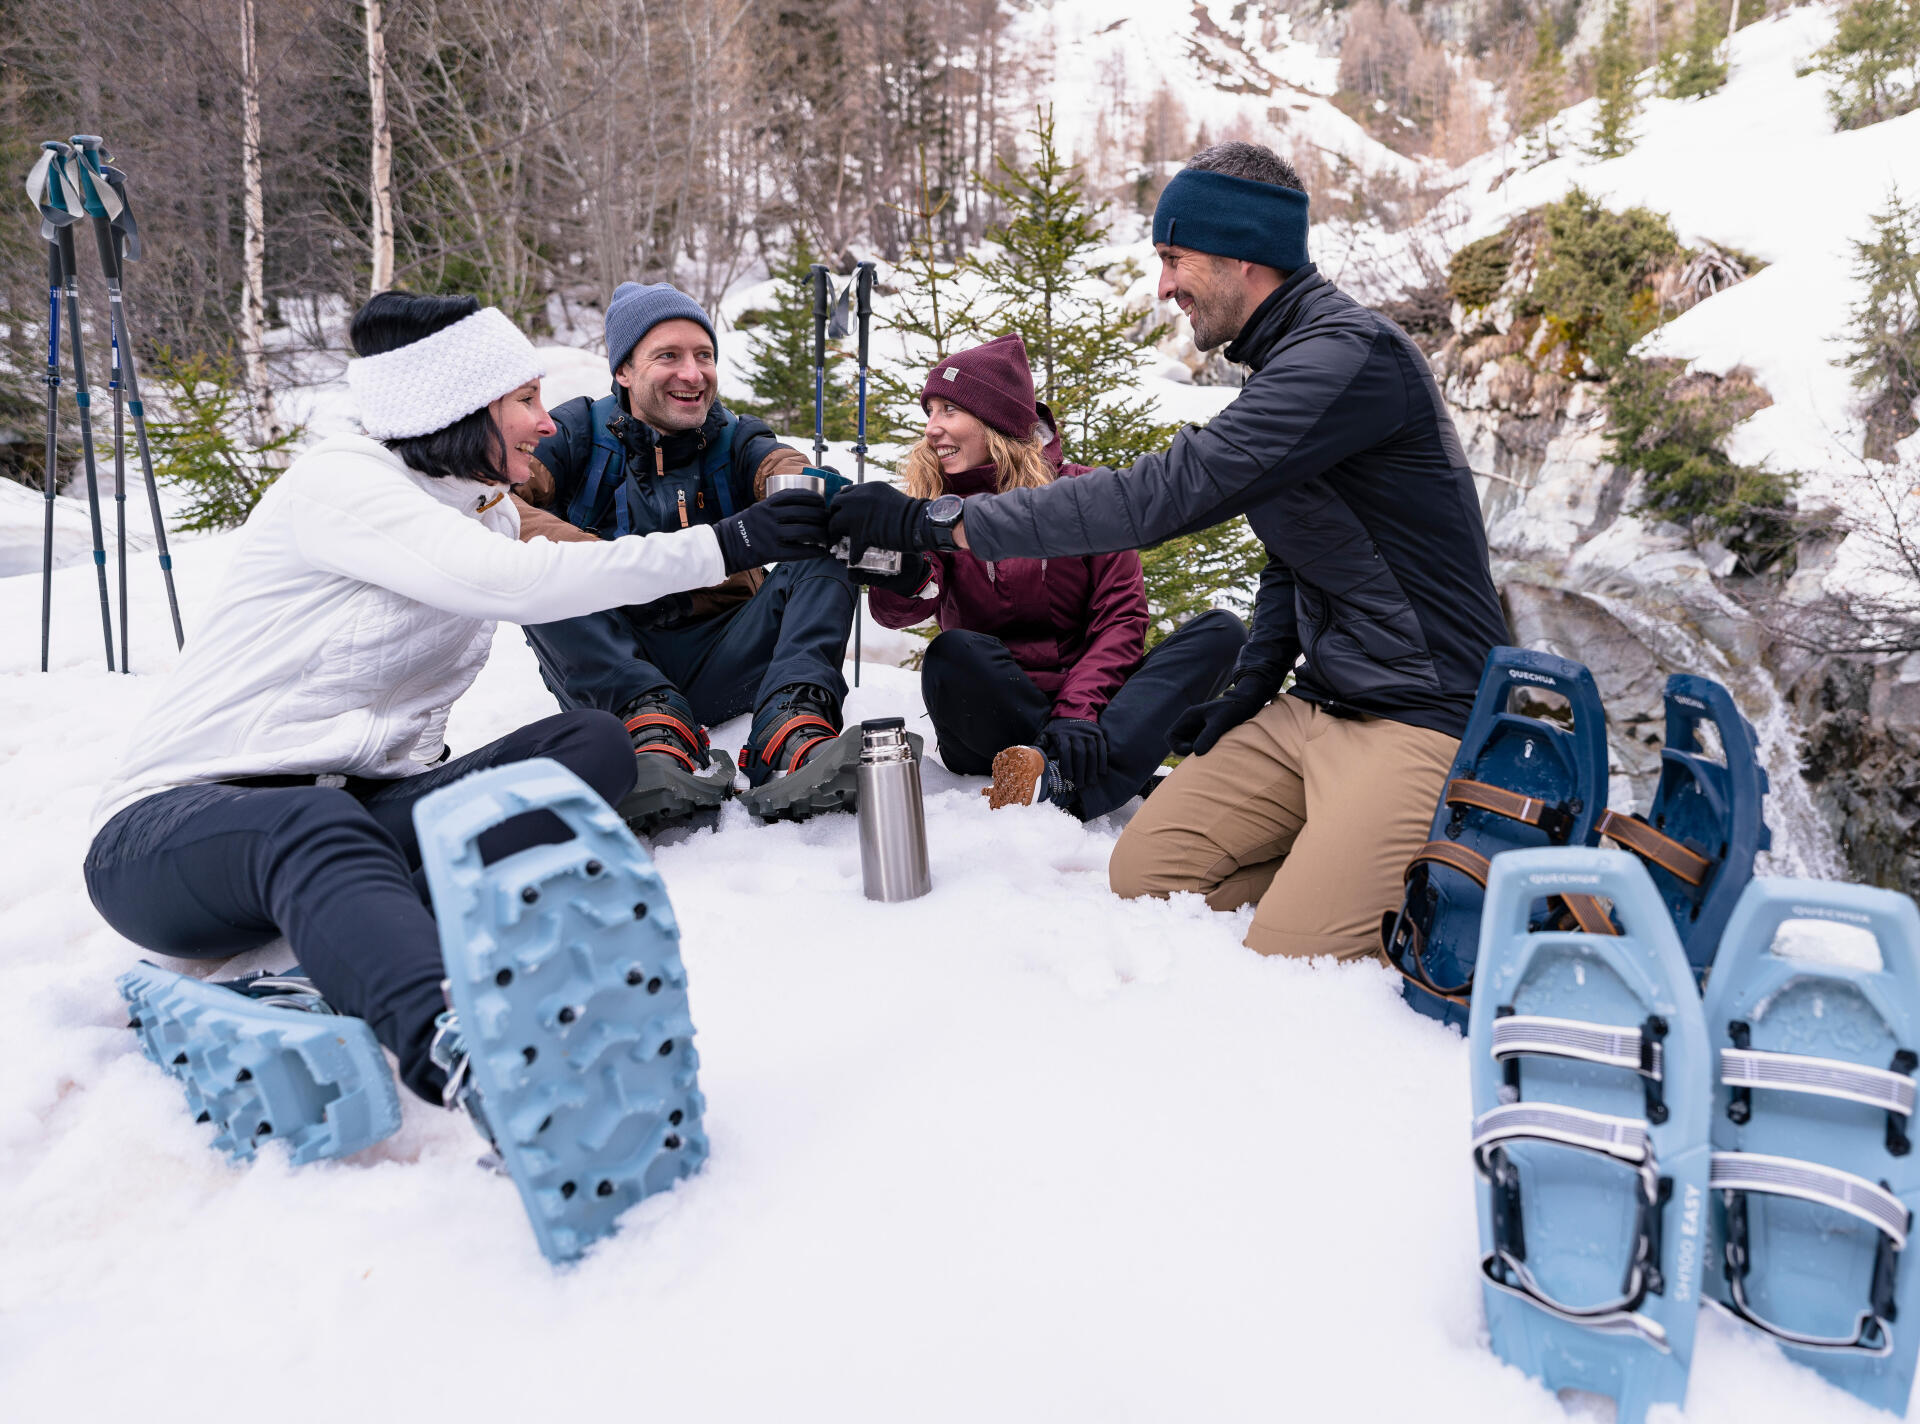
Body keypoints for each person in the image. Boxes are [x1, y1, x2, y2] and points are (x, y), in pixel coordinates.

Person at [83, 291, 831, 1110]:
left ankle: (352, 946)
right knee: (315, 822)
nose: (545, 423)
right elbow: (516, 583)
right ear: (457, 410)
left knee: (589, 747)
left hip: (356, 814)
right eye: (523, 401)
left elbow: (608, 552)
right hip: (172, 835)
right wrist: (739, 540)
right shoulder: (342, 483)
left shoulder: (485, 510)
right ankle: (458, 1049)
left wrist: (870, 523)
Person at [828, 140, 1509, 963]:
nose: (1165, 285)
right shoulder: (1282, 368)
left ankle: (1419, 854)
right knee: (1145, 874)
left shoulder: (1347, 358)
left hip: (1420, 714)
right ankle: (1340, 853)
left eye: (1174, 257)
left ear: (1245, 253)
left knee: (1293, 952)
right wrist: (1253, 685)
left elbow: (1165, 494)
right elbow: (1298, 558)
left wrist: (931, 524)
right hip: (1320, 706)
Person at [511, 282, 866, 829]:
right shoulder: (575, 432)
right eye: (668, 356)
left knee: (817, 546)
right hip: (612, 657)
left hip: (728, 650)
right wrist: (602, 561)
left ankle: (791, 728)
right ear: (624, 372)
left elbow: (782, 469)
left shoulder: (736, 438)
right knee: (536, 572)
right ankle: (649, 733)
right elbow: (494, 506)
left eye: (704, 356)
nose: (693, 373)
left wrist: (826, 499)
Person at [865, 334, 1245, 817]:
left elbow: (1121, 618)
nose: (932, 429)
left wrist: (1076, 713)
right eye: (930, 411)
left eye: (948, 411)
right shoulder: (937, 510)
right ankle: (1093, 770)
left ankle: (1055, 773)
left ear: (994, 422)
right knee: (953, 652)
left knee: (1222, 633)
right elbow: (895, 613)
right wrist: (904, 569)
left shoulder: (1085, 494)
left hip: (1088, 710)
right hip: (993, 716)